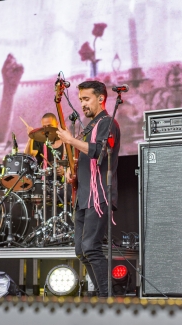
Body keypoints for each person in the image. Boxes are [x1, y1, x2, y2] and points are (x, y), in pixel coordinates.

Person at [56, 80, 120, 297]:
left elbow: (99, 152)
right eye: (80, 99)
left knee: (91, 247)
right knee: (81, 251)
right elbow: (83, 160)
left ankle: (106, 297)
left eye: (86, 99)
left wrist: (71, 140)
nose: (82, 104)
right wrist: (71, 174)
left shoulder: (107, 122)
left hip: (99, 195)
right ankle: (107, 292)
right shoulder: (89, 127)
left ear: (101, 98)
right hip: (83, 197)